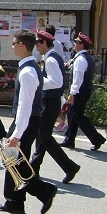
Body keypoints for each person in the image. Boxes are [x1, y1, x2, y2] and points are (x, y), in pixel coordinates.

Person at [0, 30, 58, 214]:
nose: (13, 46)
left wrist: (16, 133)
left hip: (27, 120)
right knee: (15, 161)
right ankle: (16, 200)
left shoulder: (28, 71)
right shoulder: (30, 67)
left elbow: (25, 105)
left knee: (13, 161)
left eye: (14, 43)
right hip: (29, 120)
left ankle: (43, 191)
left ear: (22, 45)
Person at [30, 31, 80, 184]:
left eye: (38, 44)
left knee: (45, 137)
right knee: (41, 135)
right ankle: (34, 167)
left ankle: (69, 166)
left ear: (45, 43)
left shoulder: (51, 59)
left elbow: (57, 82)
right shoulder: (52, 57)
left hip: (50, 101)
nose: (37, 48)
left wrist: (39, 79)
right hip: (50, 101)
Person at [60, 32, 106, 151]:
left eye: (76, 42)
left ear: (81, 45)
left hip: (80, 92)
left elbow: (77, 79)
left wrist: (72, 94)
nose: (74, 44)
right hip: (83, 90)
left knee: (78, 116)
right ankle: (69, 140)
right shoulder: (84, 57)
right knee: (71, 114)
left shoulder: (81, 59)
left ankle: (97, 139)